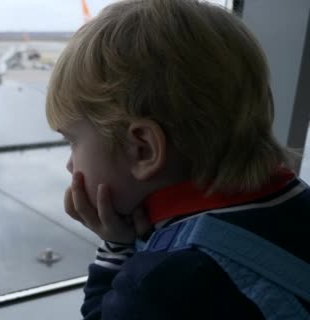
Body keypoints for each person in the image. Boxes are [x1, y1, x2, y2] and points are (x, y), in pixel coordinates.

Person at [45, 0, 310, 319]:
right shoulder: (295, 200)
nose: (70, 165)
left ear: (142, 149)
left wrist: (116, 246)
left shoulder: (157, 288)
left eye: (72, 142)